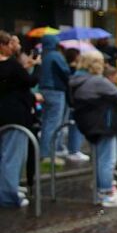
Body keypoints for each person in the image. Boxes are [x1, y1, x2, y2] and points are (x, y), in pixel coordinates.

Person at [69, 51, 117, 208]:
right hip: (103, 124)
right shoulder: (96, 81)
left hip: (90, 124)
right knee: (107, 160)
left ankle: (104, 189)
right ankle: (106, 192)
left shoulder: (78, 79)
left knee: (100, 158)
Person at [0, 32, 39, 208]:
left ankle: (8, 187)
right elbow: (29, 81)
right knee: (13, 155)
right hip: (15, 114)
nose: (11, 47)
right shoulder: (12, 66)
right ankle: (8, 194)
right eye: (9, 44)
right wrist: (35, 66)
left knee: (6, 154)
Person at [37, 33, 71, 169]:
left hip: (44, 90)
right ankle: (49, 155)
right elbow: (66, 72)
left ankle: (45, 153)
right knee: (54, 124)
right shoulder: (56, 56)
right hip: (55, 91)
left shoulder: (43, 55)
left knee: (46, 123)